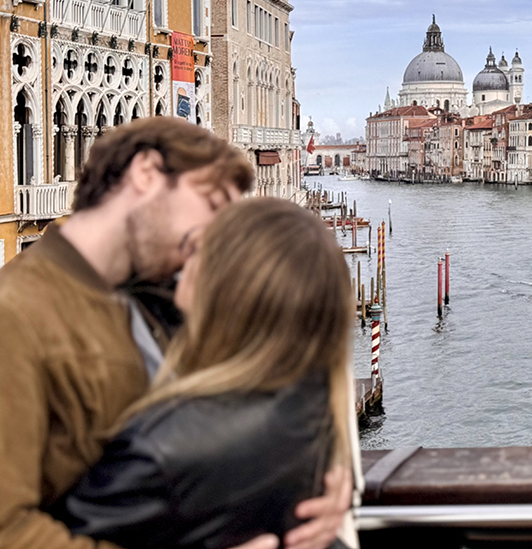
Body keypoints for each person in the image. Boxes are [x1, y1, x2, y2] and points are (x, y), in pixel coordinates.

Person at [0, 117, 351, 549]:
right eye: (213, 202)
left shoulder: (169, 300)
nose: (218, 233)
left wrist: (314, 486)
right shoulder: (10, 315)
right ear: (146, 173)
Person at [53, 199, 354, 549]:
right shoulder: (313, 402)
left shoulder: (158, 448)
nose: (184, 258)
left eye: (198, 247)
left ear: (225, 283)